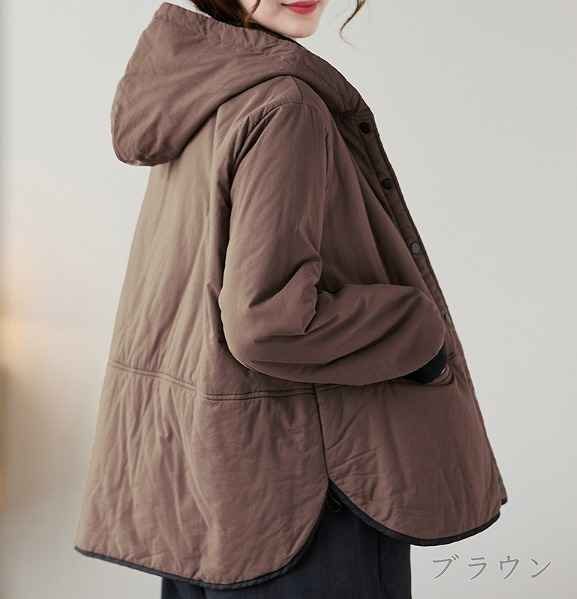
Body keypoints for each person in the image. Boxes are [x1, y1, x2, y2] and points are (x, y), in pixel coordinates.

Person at [73, 2, 508, 598]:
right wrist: (415, 330)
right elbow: (268, 323)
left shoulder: (199, 89)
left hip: (213, 489)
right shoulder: (284, 104)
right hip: (307, 491)